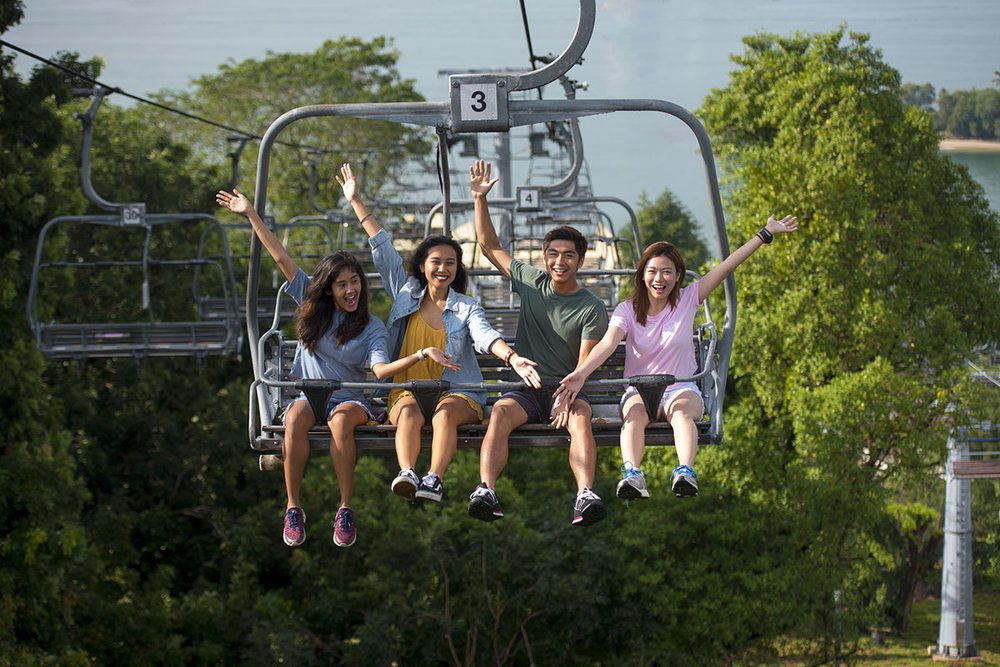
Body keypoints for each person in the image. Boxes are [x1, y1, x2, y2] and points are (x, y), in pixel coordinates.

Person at [217, 187, 446, 549]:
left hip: (349, 398)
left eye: (355, 282)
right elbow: (280, 258)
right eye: (342, 285)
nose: (351, 290)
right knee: (293, 419)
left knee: (341, 421)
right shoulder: (312, 307)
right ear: (328, 290)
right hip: (311, 393)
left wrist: (418, 356)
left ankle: (344, 508)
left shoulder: (371, 327)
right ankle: (293, 507)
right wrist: (251, 214)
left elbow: (381, 371)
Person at [335, 163, 541, 505]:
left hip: (457, 390)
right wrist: (356, 201)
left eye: (450, 263)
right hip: (407, 388)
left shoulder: (465, 307)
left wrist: (511, 356)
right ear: (422, 266)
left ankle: (433, 478)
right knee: (410, 413)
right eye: (436, 261)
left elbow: (484, 334)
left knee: (445, 413)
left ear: (457, 269)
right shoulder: (405, 293)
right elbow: (382, 248)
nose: (443, 269)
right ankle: (407, 472)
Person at [555, 216, 798, 499]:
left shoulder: (688, 299)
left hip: (680, 387)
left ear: (678, 276)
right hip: (639, 388)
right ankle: (633, 474)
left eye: (667, 272)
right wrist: (581, 373)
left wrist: (765, 234)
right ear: (643, 274)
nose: (659, 280)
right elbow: (608, 343)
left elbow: (727, 267)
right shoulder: (627, 310)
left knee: (681, 414)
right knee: (633, 417)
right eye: (653, 272)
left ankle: (685, 471)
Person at [465, 160, 611, 526]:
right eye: (553, 254)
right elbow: (489, 245)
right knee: (498, 413)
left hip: (569, 389)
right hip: (527, 391)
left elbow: (583, 366)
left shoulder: (591, 307)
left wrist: (567, 394)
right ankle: (486, 488)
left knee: (580, 421)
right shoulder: (532, 282)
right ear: (545, 257)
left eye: (568, 256)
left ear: (580, 260)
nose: (559, 262)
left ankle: (585, 493)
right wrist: (480, 199)